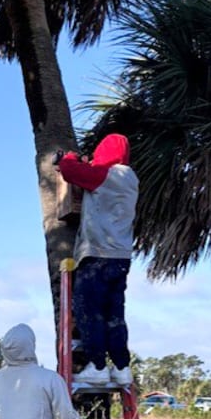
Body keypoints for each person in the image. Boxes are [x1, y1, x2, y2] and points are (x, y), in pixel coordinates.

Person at [56, 133, 138, 387]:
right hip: (120, 258)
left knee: (89, 311)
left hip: (97, 256)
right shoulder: (130, 179)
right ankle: (122, 367)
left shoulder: (105, 175)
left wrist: (68, 158)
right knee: (114, 314)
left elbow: (69, 171)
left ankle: (98, 367)